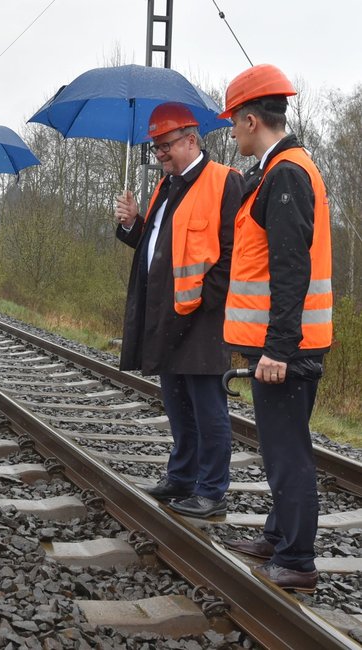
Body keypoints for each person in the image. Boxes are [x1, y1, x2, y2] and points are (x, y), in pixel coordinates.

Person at [218, 64, 332, 594]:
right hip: (287, 342)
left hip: (287, 346)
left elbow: (291, 267)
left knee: (287, 452)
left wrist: (278, 348)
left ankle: (297, 561)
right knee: (280, 445)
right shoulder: (276, 170)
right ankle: (278, 534)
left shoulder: (286, 173)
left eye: (233, 125)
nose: (231, 133)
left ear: (249, 119)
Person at [114, 102, 242, 518]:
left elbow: (233, 253)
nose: (160, 154)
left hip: (203, 320)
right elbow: (159, 251)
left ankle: (211, 491)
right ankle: (182, 477)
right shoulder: (166, 187)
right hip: (167, 317)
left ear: (191, 139)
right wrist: (134, 223)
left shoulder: (225, 181)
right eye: (155, 148)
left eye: (165, 145)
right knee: (177, 405)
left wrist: (207, 299)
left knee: (208, 409)